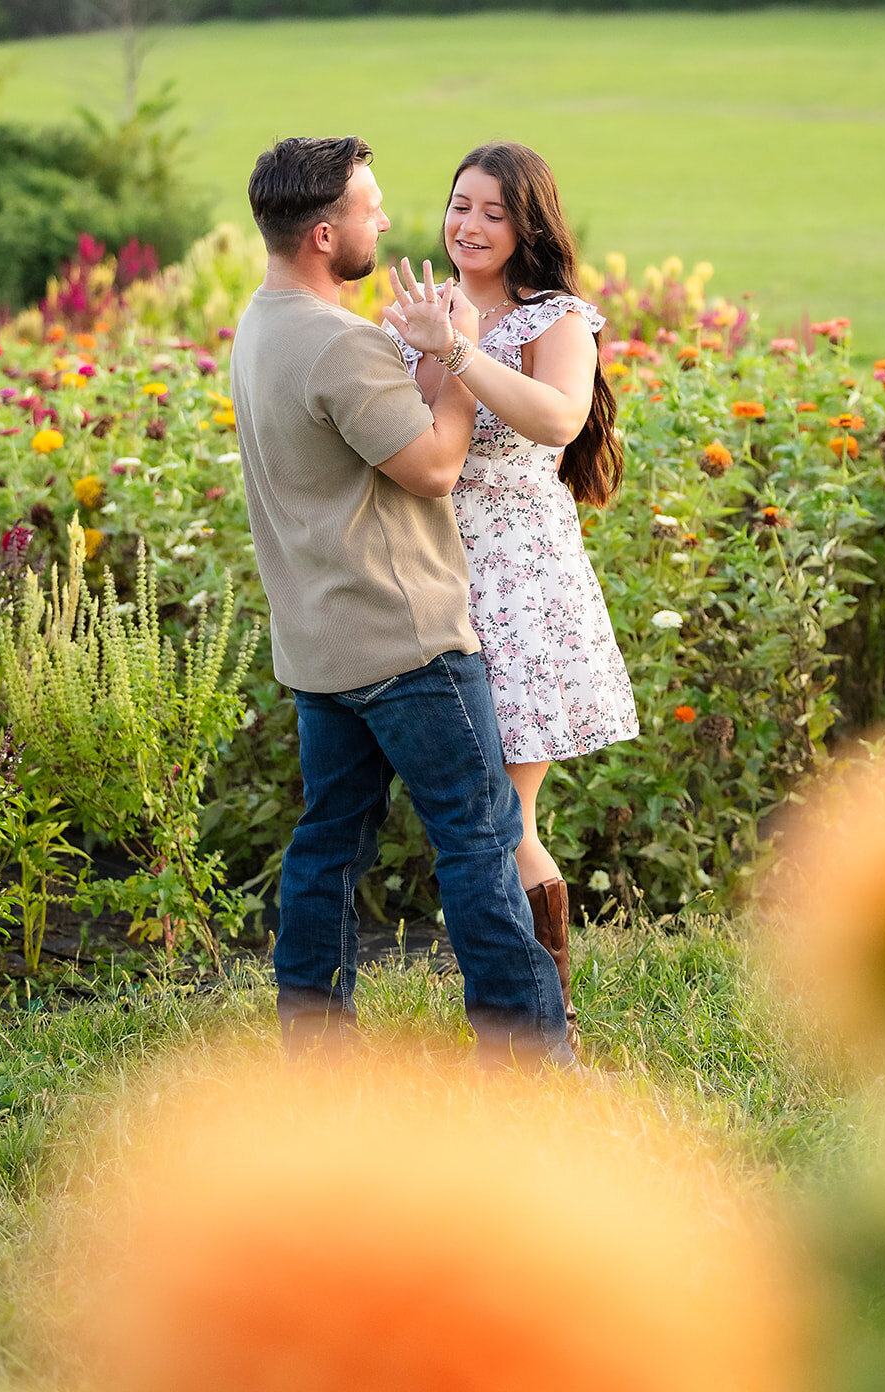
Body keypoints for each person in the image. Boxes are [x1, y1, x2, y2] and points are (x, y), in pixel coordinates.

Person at [229, 135, 574, 1068]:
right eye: (370, 206)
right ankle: (530, 1059)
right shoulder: (339, 344)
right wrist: (453, 353)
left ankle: (316, 1052)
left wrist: (429, 362)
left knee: (328, 848)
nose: (387, 219)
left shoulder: (259, 324)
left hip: (319, 647)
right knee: (477, 843)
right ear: (324, 232)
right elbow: (431, 466)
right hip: (406, 641)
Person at [383, 141, 639, 1055]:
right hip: (428, 578)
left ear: (529, 222)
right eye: (460, 205)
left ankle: (545, 1022)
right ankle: (533, 1018)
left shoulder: (552, 317)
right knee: (473, 811)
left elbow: (556, 417)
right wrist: (422, 340)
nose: (471, 226)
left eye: (494, 211)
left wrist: (454, 348)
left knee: (501, 816)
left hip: (521, 584)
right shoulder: (419, 312)